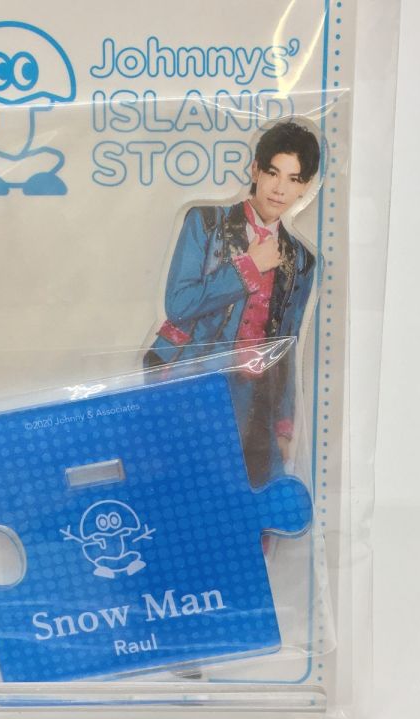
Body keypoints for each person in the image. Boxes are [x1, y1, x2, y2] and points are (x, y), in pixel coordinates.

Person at [144, 120, 321, 486]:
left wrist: (284, 424)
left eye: (293, 179)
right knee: (181, 483)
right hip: (190, 380)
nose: (280, 188)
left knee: (256, 494)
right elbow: (178, 303)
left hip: (255, 397)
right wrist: (248, 267)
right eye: (273, 172)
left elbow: (286, 345)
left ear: (305, 187)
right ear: (255, 170)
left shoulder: (301, 260)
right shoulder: (207, 223)